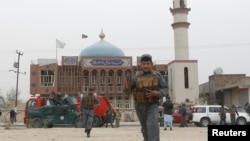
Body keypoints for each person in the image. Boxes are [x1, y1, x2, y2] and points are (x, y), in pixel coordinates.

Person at [123, 54, 168, 141]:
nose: (146, 66)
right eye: (144, 64)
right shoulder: (135, 77)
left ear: (151, 64)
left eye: (147, 63)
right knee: (145, 128)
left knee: (153, 126)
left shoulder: (157, 76)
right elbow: (126, 92)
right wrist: (127, 85)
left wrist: (158, 93)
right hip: (139, 106)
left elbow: (165, 88)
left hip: (152, 105)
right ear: (141, 65)